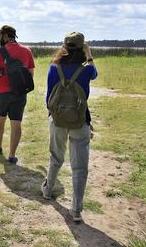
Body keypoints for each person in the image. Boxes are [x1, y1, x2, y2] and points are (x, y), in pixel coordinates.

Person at [41, 31, 98, 222]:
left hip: (57, 121)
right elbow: (94, 72)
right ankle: (76, 209)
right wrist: (89, 54)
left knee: (56, 157)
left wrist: (53, 114)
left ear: (64, 47)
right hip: (80, 122)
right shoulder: (87, 70)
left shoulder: (53, 68)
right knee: (80, 167)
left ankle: (48, 190)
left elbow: (49, 97)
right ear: (82, 48)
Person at [0, 25, 35, 163]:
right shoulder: (27, 51)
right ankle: (12, 155)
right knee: (16, 123)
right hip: (19, 93)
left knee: (0, 119)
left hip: (2, 93)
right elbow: (30, 74)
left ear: (7, 36)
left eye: (0, 35)